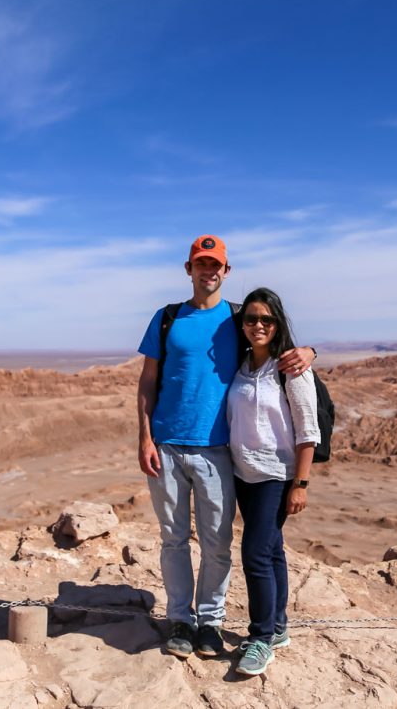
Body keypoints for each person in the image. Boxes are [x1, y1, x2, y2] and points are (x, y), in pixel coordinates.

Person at [136, 235, 315, 660]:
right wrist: (144, 436)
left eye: (216, 264)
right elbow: (146, 381)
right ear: (189, 269)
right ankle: (181, 618)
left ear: (226, 271)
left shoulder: (237, 320)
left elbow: (276, 342)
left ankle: (211, 622)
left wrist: (310, 350)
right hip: (167, 446)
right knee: (173, 540)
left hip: (218, 451)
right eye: (201, 263)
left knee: (217, 544)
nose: (209, 271)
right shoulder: (166, 318)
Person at [226, 286, 320, 676]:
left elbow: (307, 431)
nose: (258, 325)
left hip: (275, 477)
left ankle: (261, 638)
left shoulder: (291, 369)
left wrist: (301, 484)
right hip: (242, 474)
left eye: (266, 319)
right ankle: (278, 628)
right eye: (251, 319)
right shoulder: (241, 363)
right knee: (272, 549)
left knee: (255, 554)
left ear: (277, 322)